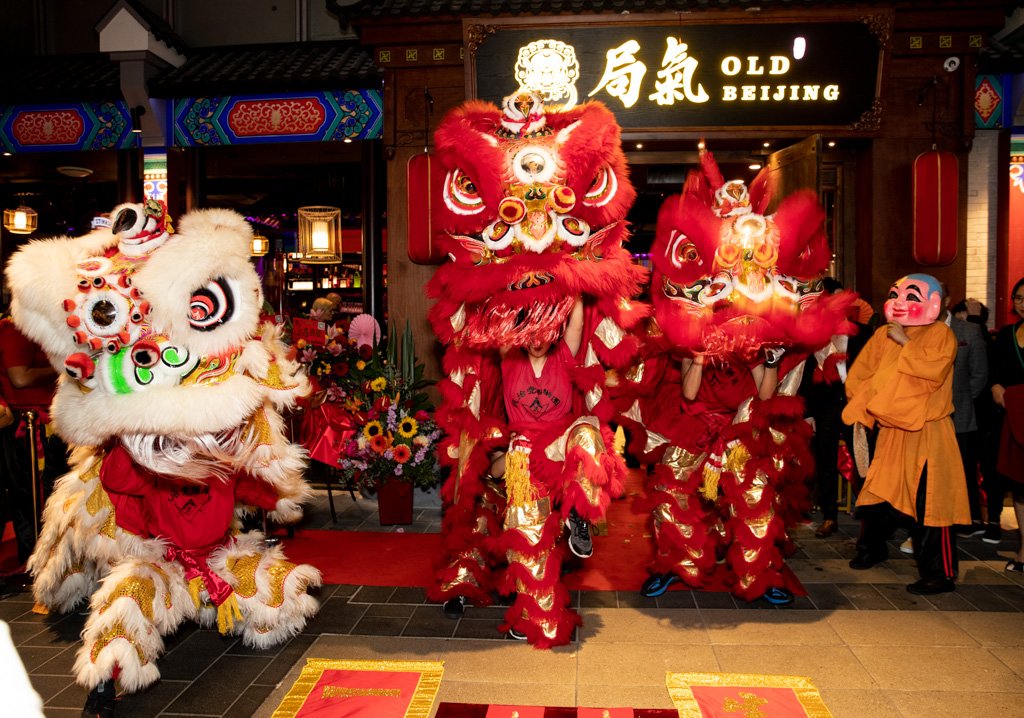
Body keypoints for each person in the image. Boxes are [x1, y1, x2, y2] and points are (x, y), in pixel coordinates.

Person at [843, 273, 969, 595]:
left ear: (934, 304)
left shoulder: (941, 334)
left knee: (930, 505)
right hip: (887, 431)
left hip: (927, 433)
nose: (900, 302)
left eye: (911, 296)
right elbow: (860, 375)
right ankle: (872, 548)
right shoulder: (883, 335)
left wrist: (905, 343)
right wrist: (867, 405)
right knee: (877, 495)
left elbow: (934, 370)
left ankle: (939, 574)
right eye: (895, 294)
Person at [490, 296, 593, 641]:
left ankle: (578, 511)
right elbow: (499, 315)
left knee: (589, 433)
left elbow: (577, 321)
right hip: (523, 458)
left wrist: (574, 278)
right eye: (530, 330)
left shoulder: (565, 353)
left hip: (561, 449)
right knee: (528, 542)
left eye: (545, 330)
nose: (537, 339)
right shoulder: (510, 357)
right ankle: (537, 612)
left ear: (557, 330)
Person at [0, 316, 62, 572]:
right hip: (28, 425)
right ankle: (35, 561)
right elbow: (20, 378)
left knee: (46, 494)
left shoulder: (31, 328)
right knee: (32, 497)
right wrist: (61, 367)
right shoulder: (13, 330)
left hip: (44, 420)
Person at [941, 287, 989, 539]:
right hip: (926, 416)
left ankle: (965, 518)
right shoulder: (915, 330)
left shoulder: (968, 331)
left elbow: (979, 374)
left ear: (946, 300)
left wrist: (960, 400)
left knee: (963, 469)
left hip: (960, 414)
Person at [989, 277, 1024, 571]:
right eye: (1019, 298)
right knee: (1019, 485)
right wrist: (996, 387)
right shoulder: (1006, 334)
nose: (1023, 303)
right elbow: (994, 372)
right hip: (1014, 417)